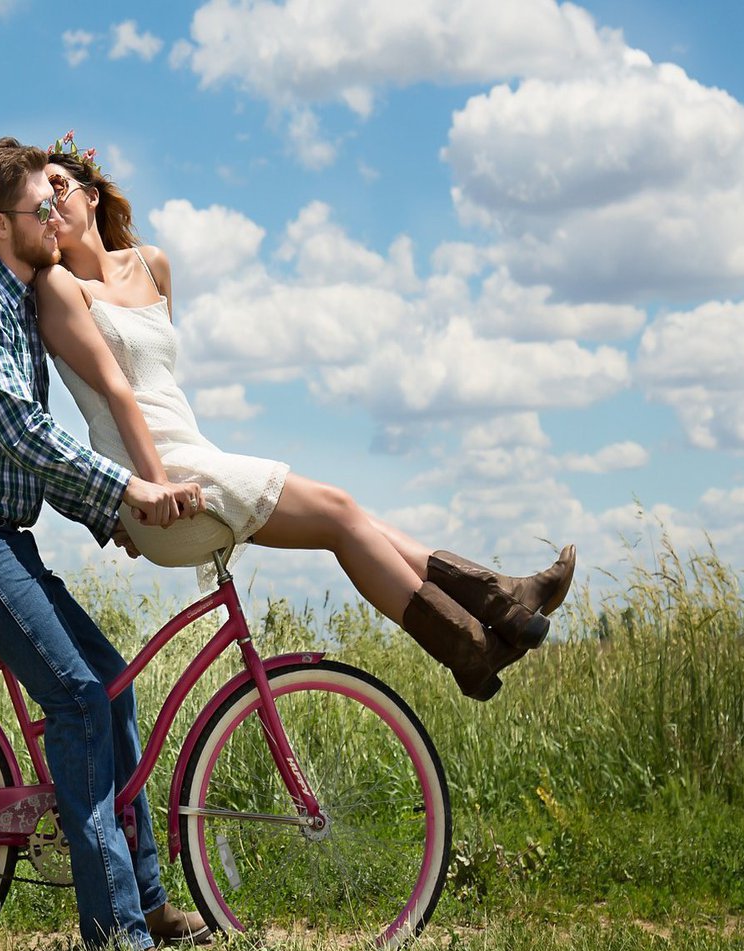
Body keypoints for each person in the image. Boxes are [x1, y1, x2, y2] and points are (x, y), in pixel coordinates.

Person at [34, 133, 576, 702]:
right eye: (40, 203)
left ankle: (497, 609)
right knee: (340, 513)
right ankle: (478, 635)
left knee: (347, 517)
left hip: (192, 458)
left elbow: (161, 386)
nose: (53, 207)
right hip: (158, 479)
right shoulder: (59, 286)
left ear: (93, 195)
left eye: (62, 189)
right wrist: (152, 489)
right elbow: (120, 395)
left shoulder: (154, 265)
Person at [0, 138, 209, 951]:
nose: (56, 218)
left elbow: (29, 460)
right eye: (42, 208)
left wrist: (106, 513)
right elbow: (22, 434)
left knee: (109, 682)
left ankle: (144, 900)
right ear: (3, 225)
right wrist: (125, 493)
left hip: (1, 532)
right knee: (76, 699)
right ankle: (118, 946)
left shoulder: (19, 303)